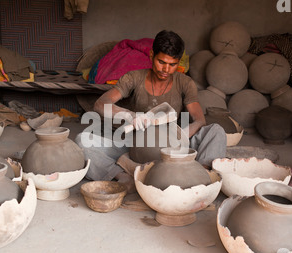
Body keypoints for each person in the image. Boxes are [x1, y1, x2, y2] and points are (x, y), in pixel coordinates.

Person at [75, 30, 226, 192]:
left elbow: (200, 120)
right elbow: (100, 104)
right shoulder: (133, 77)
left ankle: (199, 173)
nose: (166, 69)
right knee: (82, 140)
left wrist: (180, 136)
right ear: (152, 55)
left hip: (174, 146)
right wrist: (128, 115)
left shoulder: (185, 83)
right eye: (161, 62)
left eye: (172, 64)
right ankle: (122, 177)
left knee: (216, 131)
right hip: (136, 146)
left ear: (178, 62)